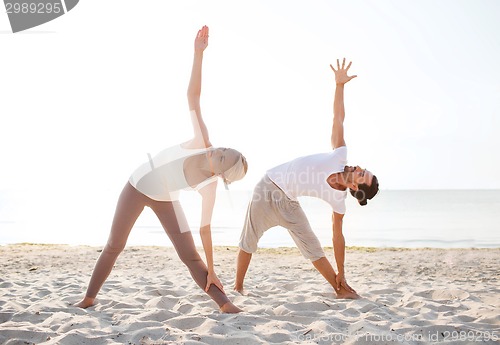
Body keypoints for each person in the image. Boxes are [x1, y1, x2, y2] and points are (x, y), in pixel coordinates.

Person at [75, 26, 247, 313]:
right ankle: (89, 297)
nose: (218, 150)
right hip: (138, 185)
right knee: (115, 245)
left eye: (223, 157)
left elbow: (205, 230)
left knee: (191, 257)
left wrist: (213, 269)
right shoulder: (201, 141)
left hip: (167, 198)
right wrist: (198, 54)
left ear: (221, 173)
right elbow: (193, 96)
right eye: (224, 149)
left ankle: (225, 305)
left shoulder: (210, 187)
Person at [234, 58, 378, 299]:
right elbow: (338, 118)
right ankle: (238, 287)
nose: (359, 167)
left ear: (354, 186)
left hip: (289, 203)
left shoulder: (338, 201)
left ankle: (340, 288)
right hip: (268, 187)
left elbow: (337, 236)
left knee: (314, 248)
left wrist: (342, 270)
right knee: (248, 240)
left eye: (361, 174)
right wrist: (340, 85)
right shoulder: (339, 155)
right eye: (363, 169)